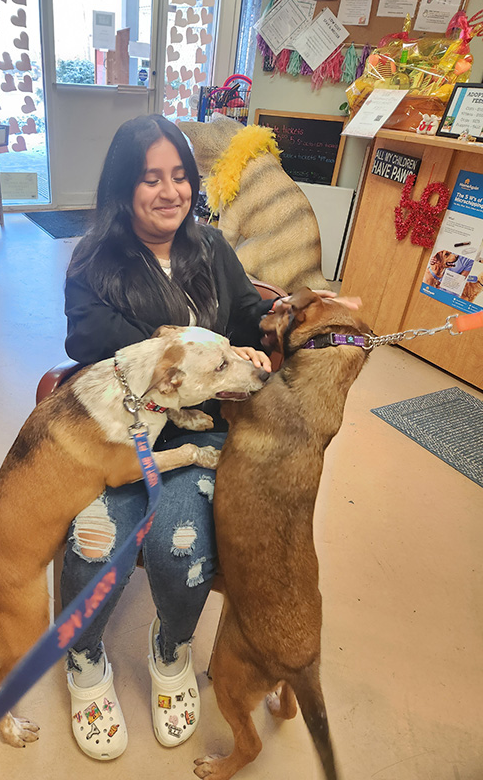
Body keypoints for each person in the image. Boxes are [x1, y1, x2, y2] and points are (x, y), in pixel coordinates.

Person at [61, 113, 354, 761]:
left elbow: (250, 322)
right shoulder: (93, 261)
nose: (169, 192)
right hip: (120, 433)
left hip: (200, 435)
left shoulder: (212, 249)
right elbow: (84, 342)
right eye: (149, 180)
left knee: (178, 544)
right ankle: (81, 657)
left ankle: (171, 651)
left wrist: (275, 329)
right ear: (121, 189)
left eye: (180, 177)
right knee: (93, 540)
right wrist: (188, 356)